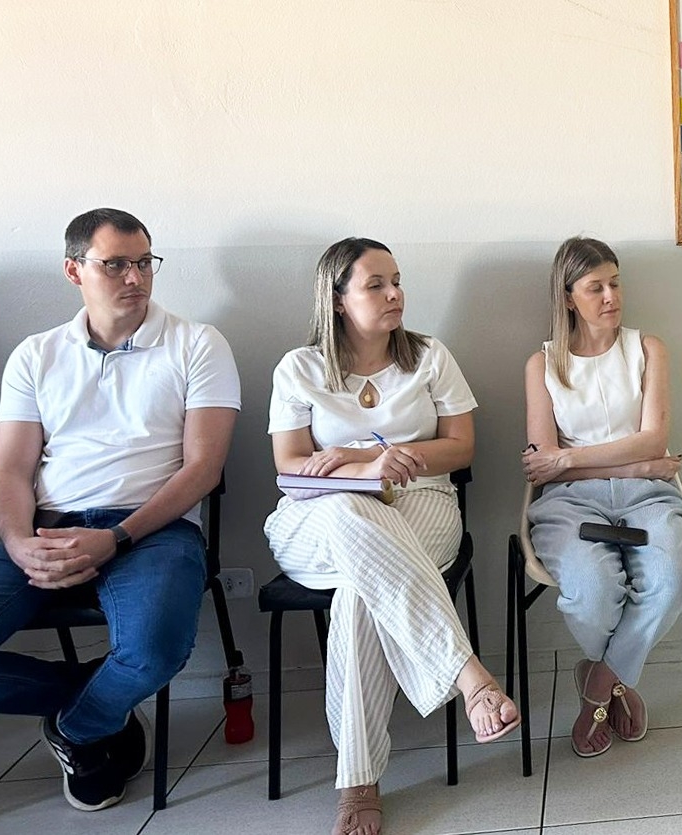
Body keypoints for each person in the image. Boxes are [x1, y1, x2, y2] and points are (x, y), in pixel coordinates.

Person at [0, 208, 241, 811]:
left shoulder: (197, 344)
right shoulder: (36, 354)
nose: (135, 277)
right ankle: (94, 702)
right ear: (74, 270)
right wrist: (19, 542)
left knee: (153, 652)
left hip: (153, 531)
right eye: (116, 264)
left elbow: (203, 468)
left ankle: (78, 727)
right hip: (48, 531)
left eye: (144, 263)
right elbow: (8, 472)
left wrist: (118, 537)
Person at [264, 237, 519, 835]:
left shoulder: (429, 356)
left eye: (397, 281)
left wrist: (368, 456)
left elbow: (461, 448)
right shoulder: (299, 367)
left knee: (360, 593)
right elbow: (289, 464)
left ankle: (357, 783)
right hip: (319, 517)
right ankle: (469, 677)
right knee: (348, 516)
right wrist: (362, 473)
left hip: (421, 502)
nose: (394, 294)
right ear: (337, 298)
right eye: (375, 284)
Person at [522, 236, 682, 759]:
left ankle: (600, 682)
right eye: (595, 287)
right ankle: (621, 681)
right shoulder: (542, 364)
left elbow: (653, 442)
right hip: (570, 500)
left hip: (649, 495)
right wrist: (633, 462)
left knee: (671, 579)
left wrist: (578, 458)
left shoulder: (649, 349)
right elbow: (543, 463)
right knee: (592, 590)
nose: (611, 297)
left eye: (615, 283)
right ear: (567, 296)